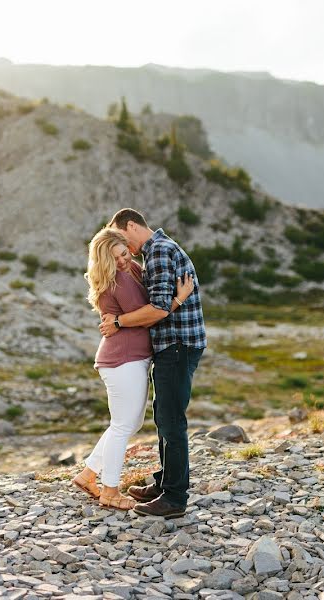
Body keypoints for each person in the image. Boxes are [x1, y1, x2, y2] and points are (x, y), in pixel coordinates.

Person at [72, 228, 194, 510]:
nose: (122, 261)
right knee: (123, 425)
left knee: (128, 423)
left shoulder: (130, 271)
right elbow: (151, 316)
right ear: (104, 261)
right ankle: (110, 491)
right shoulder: (119, 281)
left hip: (126, 358)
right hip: (123, 359)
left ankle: (89, 474)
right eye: (114, 258)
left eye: (124, 253)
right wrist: (178, 298)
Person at [99, 208, 207, 519]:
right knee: (164, 416)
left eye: (122, 239)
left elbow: (158, 308)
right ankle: (165, 483)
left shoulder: (158, 252)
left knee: (171, 421)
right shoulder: (159, 250)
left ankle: (174, 498)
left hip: (176, 346)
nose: (125, 250)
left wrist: (118, 322)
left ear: (131, 226)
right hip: (175, 346)